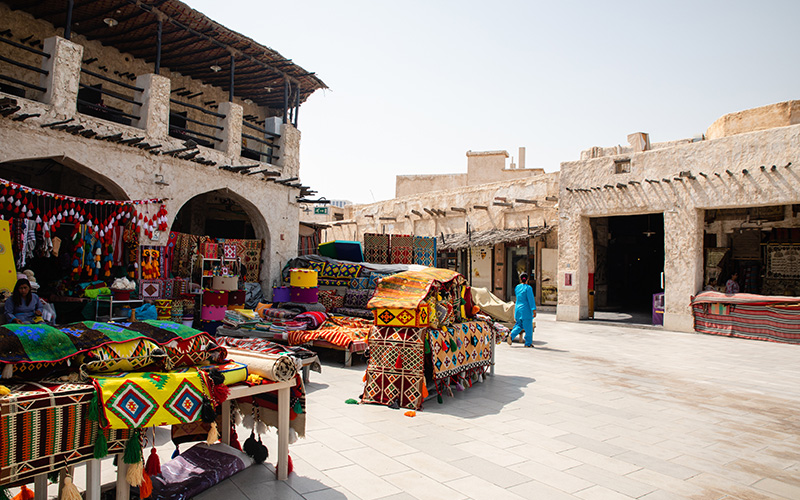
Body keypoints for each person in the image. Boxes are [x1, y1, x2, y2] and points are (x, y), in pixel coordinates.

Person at [507, 273, 537, 347]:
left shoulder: (517, 287)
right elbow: (531, 299)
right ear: (527, 279)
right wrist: (534, 309)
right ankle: (528, 343)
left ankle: (511, 335)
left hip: (518, 309)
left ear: (520, 279)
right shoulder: (528, 288)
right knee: (528, 328)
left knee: (519, 325)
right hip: (525, 310)